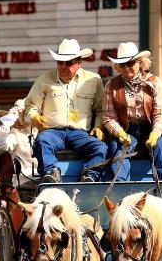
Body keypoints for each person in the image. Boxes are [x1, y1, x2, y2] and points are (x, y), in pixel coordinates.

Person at [23, 39, 107, 183]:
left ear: (79, 63)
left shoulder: (94, 80)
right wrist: (35, 117)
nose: (63, 66)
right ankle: (51, 173)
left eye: (68, 63)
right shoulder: (44, 79)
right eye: (60, 62)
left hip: (80, 133)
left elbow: (100, 109)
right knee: (42, 141)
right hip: (53, 131)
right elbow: (31, 107)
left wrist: (98, 126)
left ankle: (90, 175)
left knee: (100, 147)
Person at [102, 42, 162, 181]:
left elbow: (161, 114)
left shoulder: (155, 82)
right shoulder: (111, 85)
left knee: (161, 144)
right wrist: (119, 133)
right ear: (118, 67)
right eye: (123, 64)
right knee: (118, 145)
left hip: (151, 129)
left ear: (140, 63)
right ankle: (120, 187)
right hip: (127, 131)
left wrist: (155, 133)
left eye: (130, 63)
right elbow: (108, 117)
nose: (127, 68)